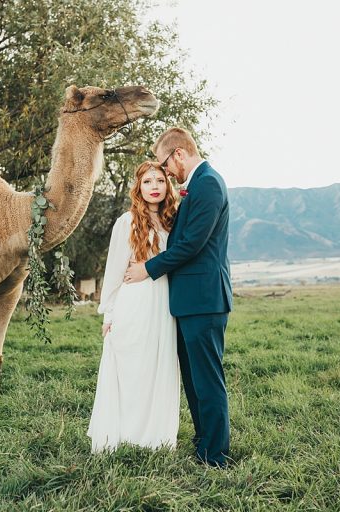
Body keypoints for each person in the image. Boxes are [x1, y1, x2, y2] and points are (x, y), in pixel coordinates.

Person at [124, 127, 232, 467]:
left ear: (179, 155)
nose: (166, 172)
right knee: (193, 380)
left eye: (165, 164)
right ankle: (203, 444)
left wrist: (148, 268)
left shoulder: (209, 184)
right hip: (188, 302)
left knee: (207, 381)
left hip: (204, 300)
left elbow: (191, 245)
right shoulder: (196, 185)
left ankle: (215, 455)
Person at [87, 161, 181, 452]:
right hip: (135, 303)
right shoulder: (127, 222)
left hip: (164, 306)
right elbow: (114, 271)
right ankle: (124, 435)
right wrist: (109, 313)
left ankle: (154, 438)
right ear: (138, 188)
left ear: (168, 186)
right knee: (133, 370)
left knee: (159, 369)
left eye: (160, 181)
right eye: (148, 182)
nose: (154, 187)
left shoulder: (172, 221)